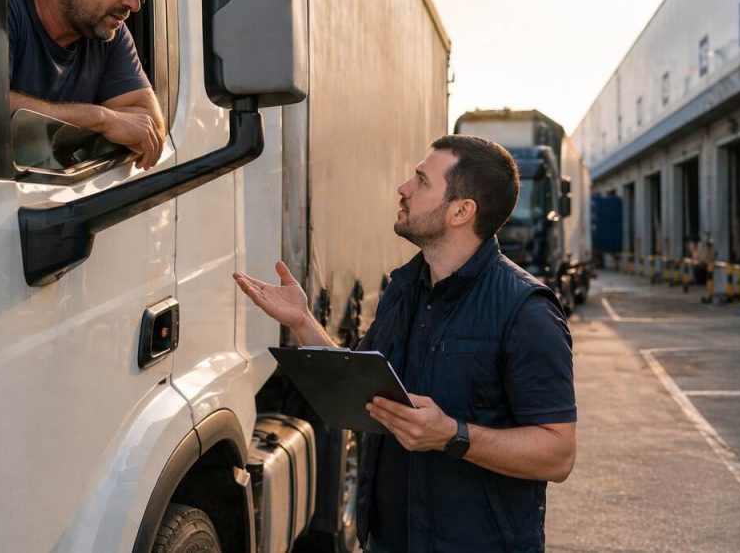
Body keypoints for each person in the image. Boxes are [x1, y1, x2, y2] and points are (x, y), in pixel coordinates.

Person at [234, 135, 577, 552]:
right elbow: (361, 381)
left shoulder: (526, 311)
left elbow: (558, 454)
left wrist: (453, 435)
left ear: (461, 211)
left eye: (421, 181)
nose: (403, 188)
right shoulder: (404, 288)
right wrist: (302, 322)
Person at [9, 0, 179, 170]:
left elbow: (149, 127)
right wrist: (102, 119)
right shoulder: (0, 6)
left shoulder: (108, 30)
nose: (134, 4)